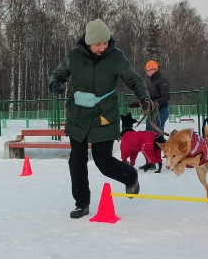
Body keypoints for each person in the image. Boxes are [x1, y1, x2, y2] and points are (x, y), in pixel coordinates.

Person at [48, 18, 154, 219]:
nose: (102, 47)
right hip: (78, 115)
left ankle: (130, 176)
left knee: (103, 161)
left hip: (104, 114)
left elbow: (134, 80)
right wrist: (54, 83)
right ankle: (82, 204)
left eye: (105, 42)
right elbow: (58, 74)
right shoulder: (74, 56)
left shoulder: (116, 57)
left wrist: (144, 97)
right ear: (88, 42)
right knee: (76, 160)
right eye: (98, 44)